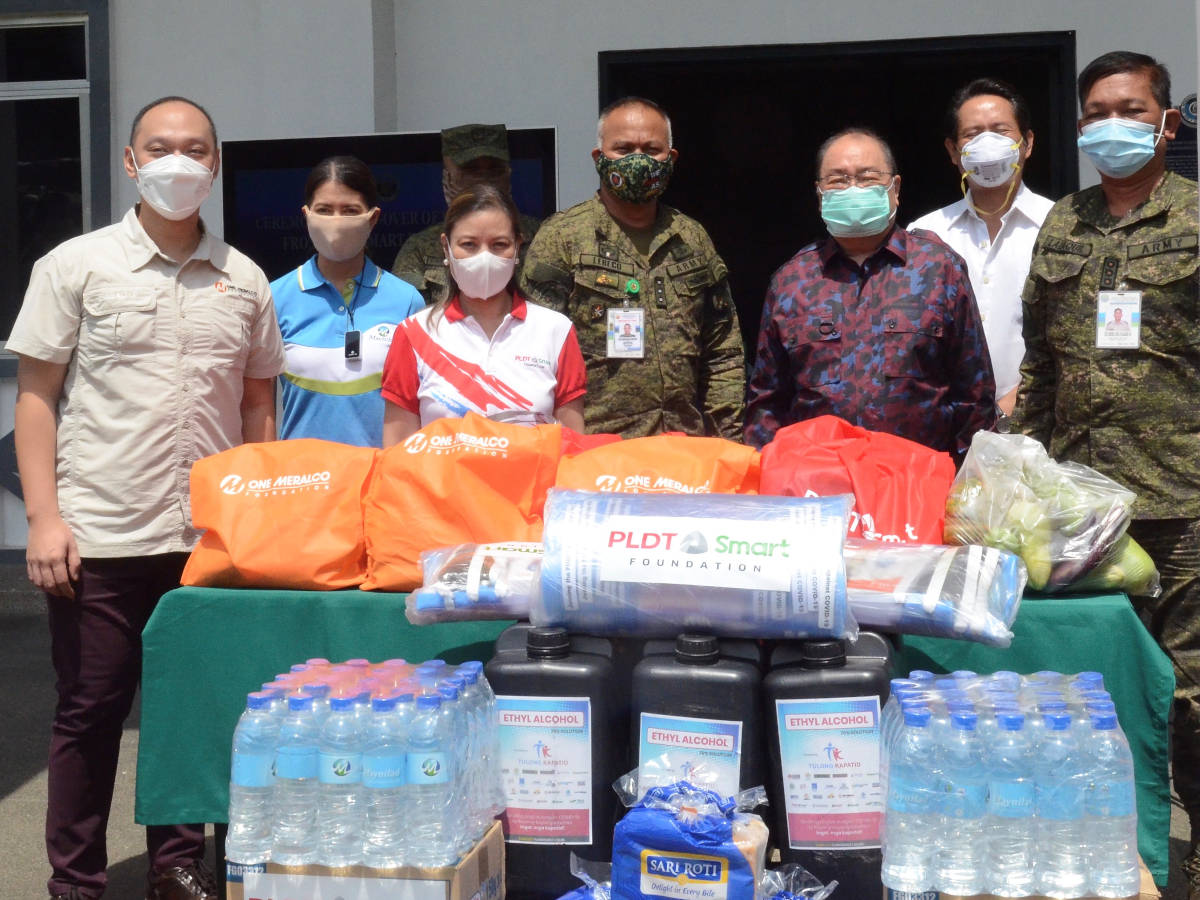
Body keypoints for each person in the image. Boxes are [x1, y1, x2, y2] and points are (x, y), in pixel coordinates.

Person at [8, 96, 285, 900]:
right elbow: (35, 398)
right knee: (90, 714)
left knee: (196, 711)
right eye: (160, 147)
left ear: (216, 164)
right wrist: (45, 519)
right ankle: (76, 882)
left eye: (195, 148)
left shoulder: (243, 278)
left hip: (209, 540)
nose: (178, 161)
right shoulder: (75, 265)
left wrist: (257, 517)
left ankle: (176, 868)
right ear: (130, 162)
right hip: (100, 532)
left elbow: (258, 404)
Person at [1013, 50, 1199, 895]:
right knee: (1089, 703)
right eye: (1095, 112)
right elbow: (1041, 367)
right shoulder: (1065, 224)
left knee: (1191, 705)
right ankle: (1107, 867)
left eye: (1130, 108)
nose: (1110, 124)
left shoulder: (1197, 218)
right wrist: (1019, 479)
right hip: (1083, 519)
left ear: (1166, 121)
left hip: (1185, 503)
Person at [745, 127, 996, 458]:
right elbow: (767, 402)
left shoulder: (939, 269)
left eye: (867, 178)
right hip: (819, 488)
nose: (853, 188)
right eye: (838, 180)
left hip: (918, 488)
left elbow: (974, 394)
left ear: (896, 189)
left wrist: (969, 489)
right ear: (819, 194)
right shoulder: (792, 281)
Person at [519, 96, 744, 438]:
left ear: (671, 159)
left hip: (684, 449)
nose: (638, 161)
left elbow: (723, 352)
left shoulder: (692, 239)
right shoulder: (563, 238)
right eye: (623, 149)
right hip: (599, 452)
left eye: (651, 150)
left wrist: (728, 441)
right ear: (599, 158)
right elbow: (532, 356)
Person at [380, 183, 585, 442]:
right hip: (443, 484)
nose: (484, 257)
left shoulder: (556, 331)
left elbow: (572, 445)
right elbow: (398, 452)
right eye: (469, 244)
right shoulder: (413, 334)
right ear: (446, 248)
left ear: (518, 246)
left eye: (499, 244)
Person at [908, 78, 1055, 416]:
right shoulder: (924, 234)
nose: (987, 143)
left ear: (1028, 143)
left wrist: (1005, 411)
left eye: (1000, 130)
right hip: (947, 427)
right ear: (952, 151)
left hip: (1038, 424)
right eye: (972, 134)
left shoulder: (1061, 227)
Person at [271, 156, 424, 446]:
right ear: (306, 215)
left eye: (350, 210)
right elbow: (259, 404)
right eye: (325, 210)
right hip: (302, 481)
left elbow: (415, 407)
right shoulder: (275, 298)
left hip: (380, 480)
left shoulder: (406, 301)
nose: (336, 221)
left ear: (373, 217)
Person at [391, 124, 540, 307]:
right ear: (448, 178)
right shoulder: (420, 249)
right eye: (472, 171)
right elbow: (406, 312)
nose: (484, 180)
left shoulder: (544, 239)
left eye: (493, 170)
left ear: (508, 175)